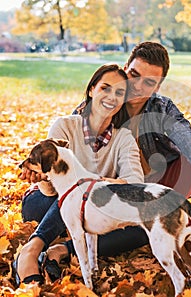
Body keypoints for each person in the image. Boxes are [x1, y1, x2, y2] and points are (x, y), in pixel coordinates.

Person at [15, 42, 191, 286]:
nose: (137, 87)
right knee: (79, 201)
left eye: (149, 82)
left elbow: (183, 135)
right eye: (133, 75)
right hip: (88, 196)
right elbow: (66, 173)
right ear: (125, 69)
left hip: (144, 186)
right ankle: (48, 246)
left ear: (158, 86)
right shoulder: (98, 105)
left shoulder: (161, 108)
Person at [13, 64, 145, 286]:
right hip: (44, 202)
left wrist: (92, 186)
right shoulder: (64, 126)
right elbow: (51, 190)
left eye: (119, 93)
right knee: (73, 193)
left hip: (93, 211)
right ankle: (31, 250)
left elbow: (134, 185)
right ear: (92, 89)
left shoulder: (124, 139)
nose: (111, 97)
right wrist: (45, 179)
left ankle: (62, 249)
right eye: (105, 88)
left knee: (139, 231)